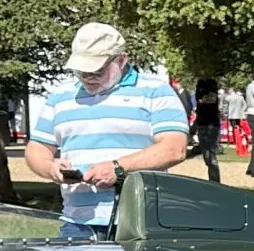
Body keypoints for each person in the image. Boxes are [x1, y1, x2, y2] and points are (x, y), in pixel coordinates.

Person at [25, 23, 189, 237]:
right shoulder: (59, 97)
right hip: (77, 222)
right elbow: (37, 149)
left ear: (121, 60)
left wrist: (118, 168)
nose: (88, 77)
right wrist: (50, 168)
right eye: (81, 71)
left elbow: (174, 148)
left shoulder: (155, 91)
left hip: (141, 221)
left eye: (97, 71)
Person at [189, 77, 224, 183]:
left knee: (210, 156)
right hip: (208, 124)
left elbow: (203, 110)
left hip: (208, 125)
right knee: (208, 155)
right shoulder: (209, 99)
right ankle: (213, 180)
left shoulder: (205, 98)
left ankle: (214, 181)